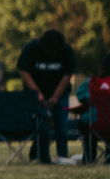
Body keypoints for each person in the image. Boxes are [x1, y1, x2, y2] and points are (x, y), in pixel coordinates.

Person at [17, 29, 75, 164]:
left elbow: (67, 75)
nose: (52, 53)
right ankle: (41, 155)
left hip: (60, 94)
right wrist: (37, 93)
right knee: (40, 125)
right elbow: (24, 71)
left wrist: (56, 96)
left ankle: (62, 155)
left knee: (61, 123)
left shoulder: (67, 51)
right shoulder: (32, 48)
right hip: (35, 94)